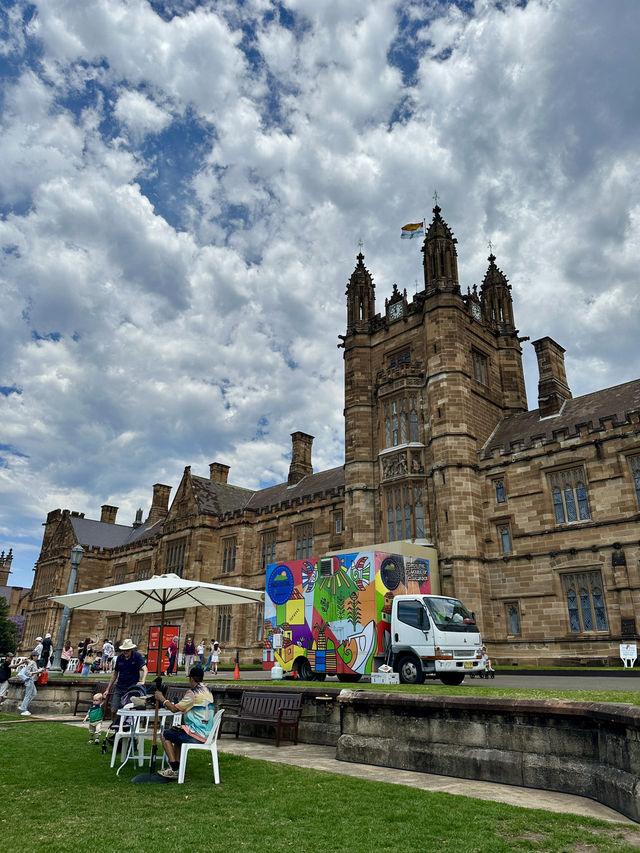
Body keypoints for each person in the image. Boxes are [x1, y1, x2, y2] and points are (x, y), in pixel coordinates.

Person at [155, 666, 215, 780]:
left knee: (165, 735)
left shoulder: (192, 693)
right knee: (178, 735)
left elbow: (173, 709)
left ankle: (174, 768)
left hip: (197, 734)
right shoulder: (208, 691)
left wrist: (162, 699)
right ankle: (178, 768)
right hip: (207, 734)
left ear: (192, 679)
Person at [105, 639, 148, 715]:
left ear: (131, 649)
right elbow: (115, 674)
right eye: (124, 650)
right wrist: (107, 689)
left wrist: (143, 681)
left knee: (128, 710)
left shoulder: (137, 656)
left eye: (127, 650)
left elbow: (145, 669)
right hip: (120, 686)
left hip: (131, 687)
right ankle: (114, 725)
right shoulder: (120, 658)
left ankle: (125, 725)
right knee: (114, 709)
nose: (125, 652)